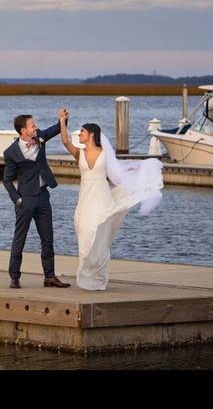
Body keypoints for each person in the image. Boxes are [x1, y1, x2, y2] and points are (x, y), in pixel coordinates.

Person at [59, 117, 165, 290]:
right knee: (84, 232)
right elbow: (64, 140)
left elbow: (118, 170)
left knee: (99, 232)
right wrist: (62, 121)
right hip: (85, 199)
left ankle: (99, 275)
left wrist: (138, 169)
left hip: (101, 198)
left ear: (91, 135)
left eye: (83, 132)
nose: (79, 135)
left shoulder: (104, 153)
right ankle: (86, 271)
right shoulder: (80, 153)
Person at [2, 109, 71, 289]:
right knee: (20, 238)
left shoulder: (40, 137)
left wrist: (63, 119)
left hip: (43, 196)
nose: (36, 127)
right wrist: (18, 200)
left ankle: (50, 277)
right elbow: (7, 181)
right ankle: (14, 277)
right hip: (25, 200)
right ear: (23, 131)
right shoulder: (10, 152)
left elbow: (56, 129)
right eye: (32, 125)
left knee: (47, 238)